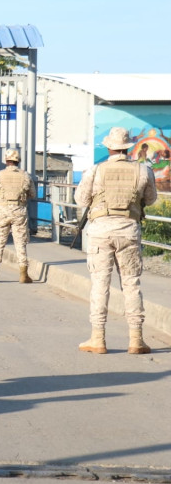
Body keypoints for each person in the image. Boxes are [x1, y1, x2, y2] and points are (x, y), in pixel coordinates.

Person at [75, 126, 157, 354]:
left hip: (101, 231)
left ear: (109, 146)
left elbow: (81, 198)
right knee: (131, 284)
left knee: (100, 284)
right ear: (128, 147)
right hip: (129, 231)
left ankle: (98, 338)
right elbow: (150, 199)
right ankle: (136, 339)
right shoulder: (144, 170)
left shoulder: (95, 170)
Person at [0, 148, 36, 284]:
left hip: (2, 211)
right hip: (19, 211)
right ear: (18, 160)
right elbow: (33, 194)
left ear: (6, 160)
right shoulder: (26, 175)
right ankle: (24, 274)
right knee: (20, 243)